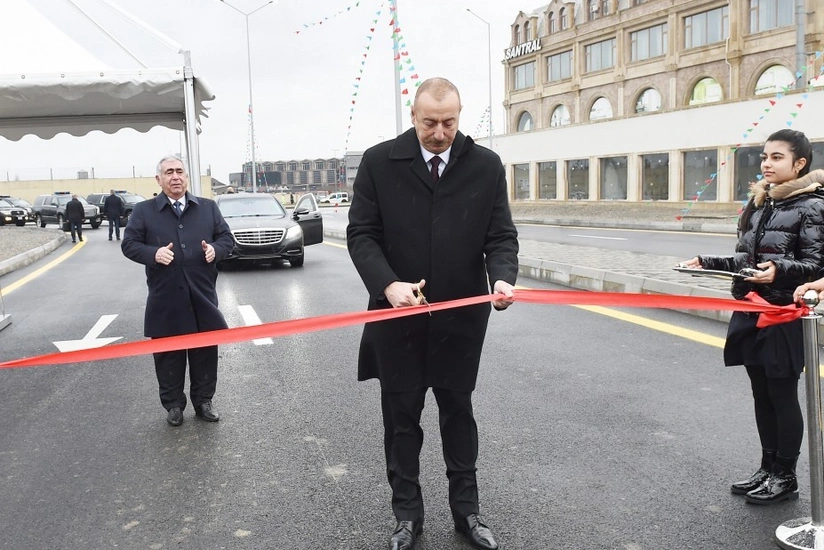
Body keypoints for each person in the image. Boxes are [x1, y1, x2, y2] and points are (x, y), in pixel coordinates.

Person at [347, 77, 518, 550]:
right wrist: (388, 284)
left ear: (459, 116)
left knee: (457, 415)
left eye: (449, 122)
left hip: (459, 322)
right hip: (396, 319)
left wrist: (502, 277)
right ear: (413, 116)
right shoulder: (380, 162)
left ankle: (468, 512)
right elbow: (361, 233)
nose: (440, 133)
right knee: (401, 420)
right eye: (429, 123)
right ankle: (406, 516)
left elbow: (500, 236)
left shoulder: (484, 166)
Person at [679, 129, 824, 505]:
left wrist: (778, 270)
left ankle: (786, 476)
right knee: (761, 393)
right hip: (750, 308)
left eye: (777, 157)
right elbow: (747, 258)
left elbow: (814, 265)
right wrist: (707, 262)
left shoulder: (813, 207)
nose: (766, 163)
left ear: (800, 163)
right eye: (764, 156)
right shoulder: (761, 203)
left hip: (782, 313)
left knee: (782, 394)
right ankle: (767, 467)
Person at [121, 154, 233, 426]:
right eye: (169, 172)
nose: (175, 176)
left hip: (202, 296)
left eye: (179, 171)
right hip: (166, 298)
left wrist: (214, 251)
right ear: (159, 179)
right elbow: (129, 245)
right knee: (168, 356)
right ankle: (173, 406)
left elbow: (227, 239)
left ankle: (204, 401)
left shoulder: (207, 208)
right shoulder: (144, 211)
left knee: (204, 352)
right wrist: (154, 253)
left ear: (187, 177)